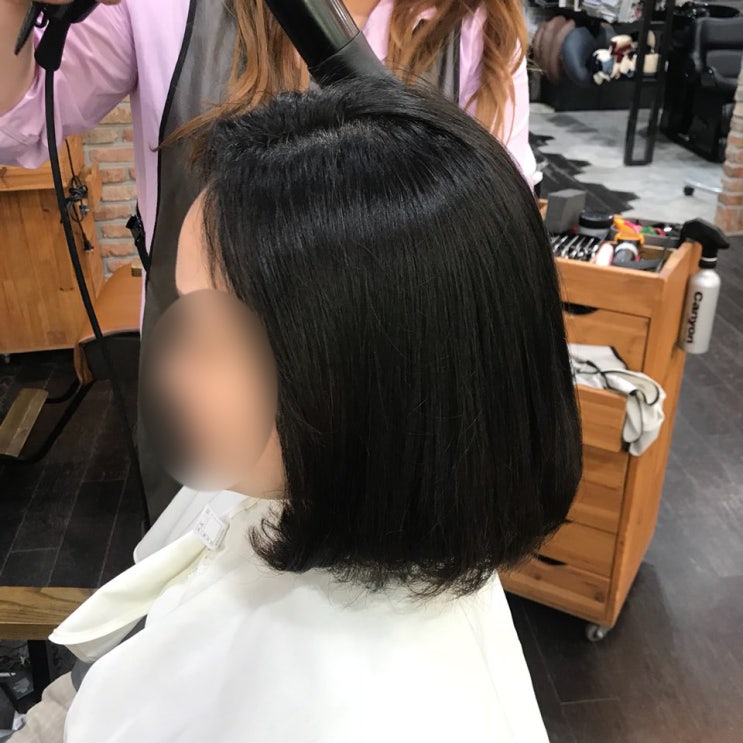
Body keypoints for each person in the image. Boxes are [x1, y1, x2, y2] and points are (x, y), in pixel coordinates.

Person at [17, 78, 581, 742]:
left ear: (359, 380)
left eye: (213, 343)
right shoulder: (278, 481)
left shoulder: (365, 714)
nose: (169, 371)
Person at [0, 0, 537, 520]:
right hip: (209, 410)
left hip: (391, 422)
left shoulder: (481, 26)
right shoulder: (165, 8)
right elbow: (17, 122)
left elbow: (496, 256)